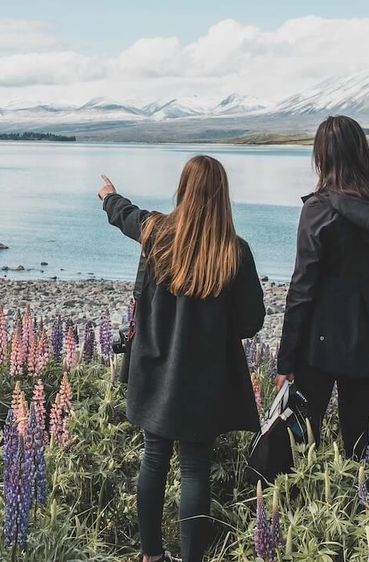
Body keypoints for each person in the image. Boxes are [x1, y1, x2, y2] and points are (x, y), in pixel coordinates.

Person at [100, 155, 266, 562]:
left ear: (183, 190)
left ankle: (151, 555)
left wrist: (107, 195)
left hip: (156, 368)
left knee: (154, 458)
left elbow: (127, 217)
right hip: (205, 377)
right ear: (221, 195)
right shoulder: (234, 251)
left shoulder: (157, 233)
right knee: (195, 467)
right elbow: (252, 320)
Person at [275, 116, 369, 460]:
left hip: (318, 344)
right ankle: (365, 507)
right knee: (362, 442)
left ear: (323, 156)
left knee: (302, 444)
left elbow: (302, 288)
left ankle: (303, 508)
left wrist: (285, 359)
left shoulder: (318, 209)